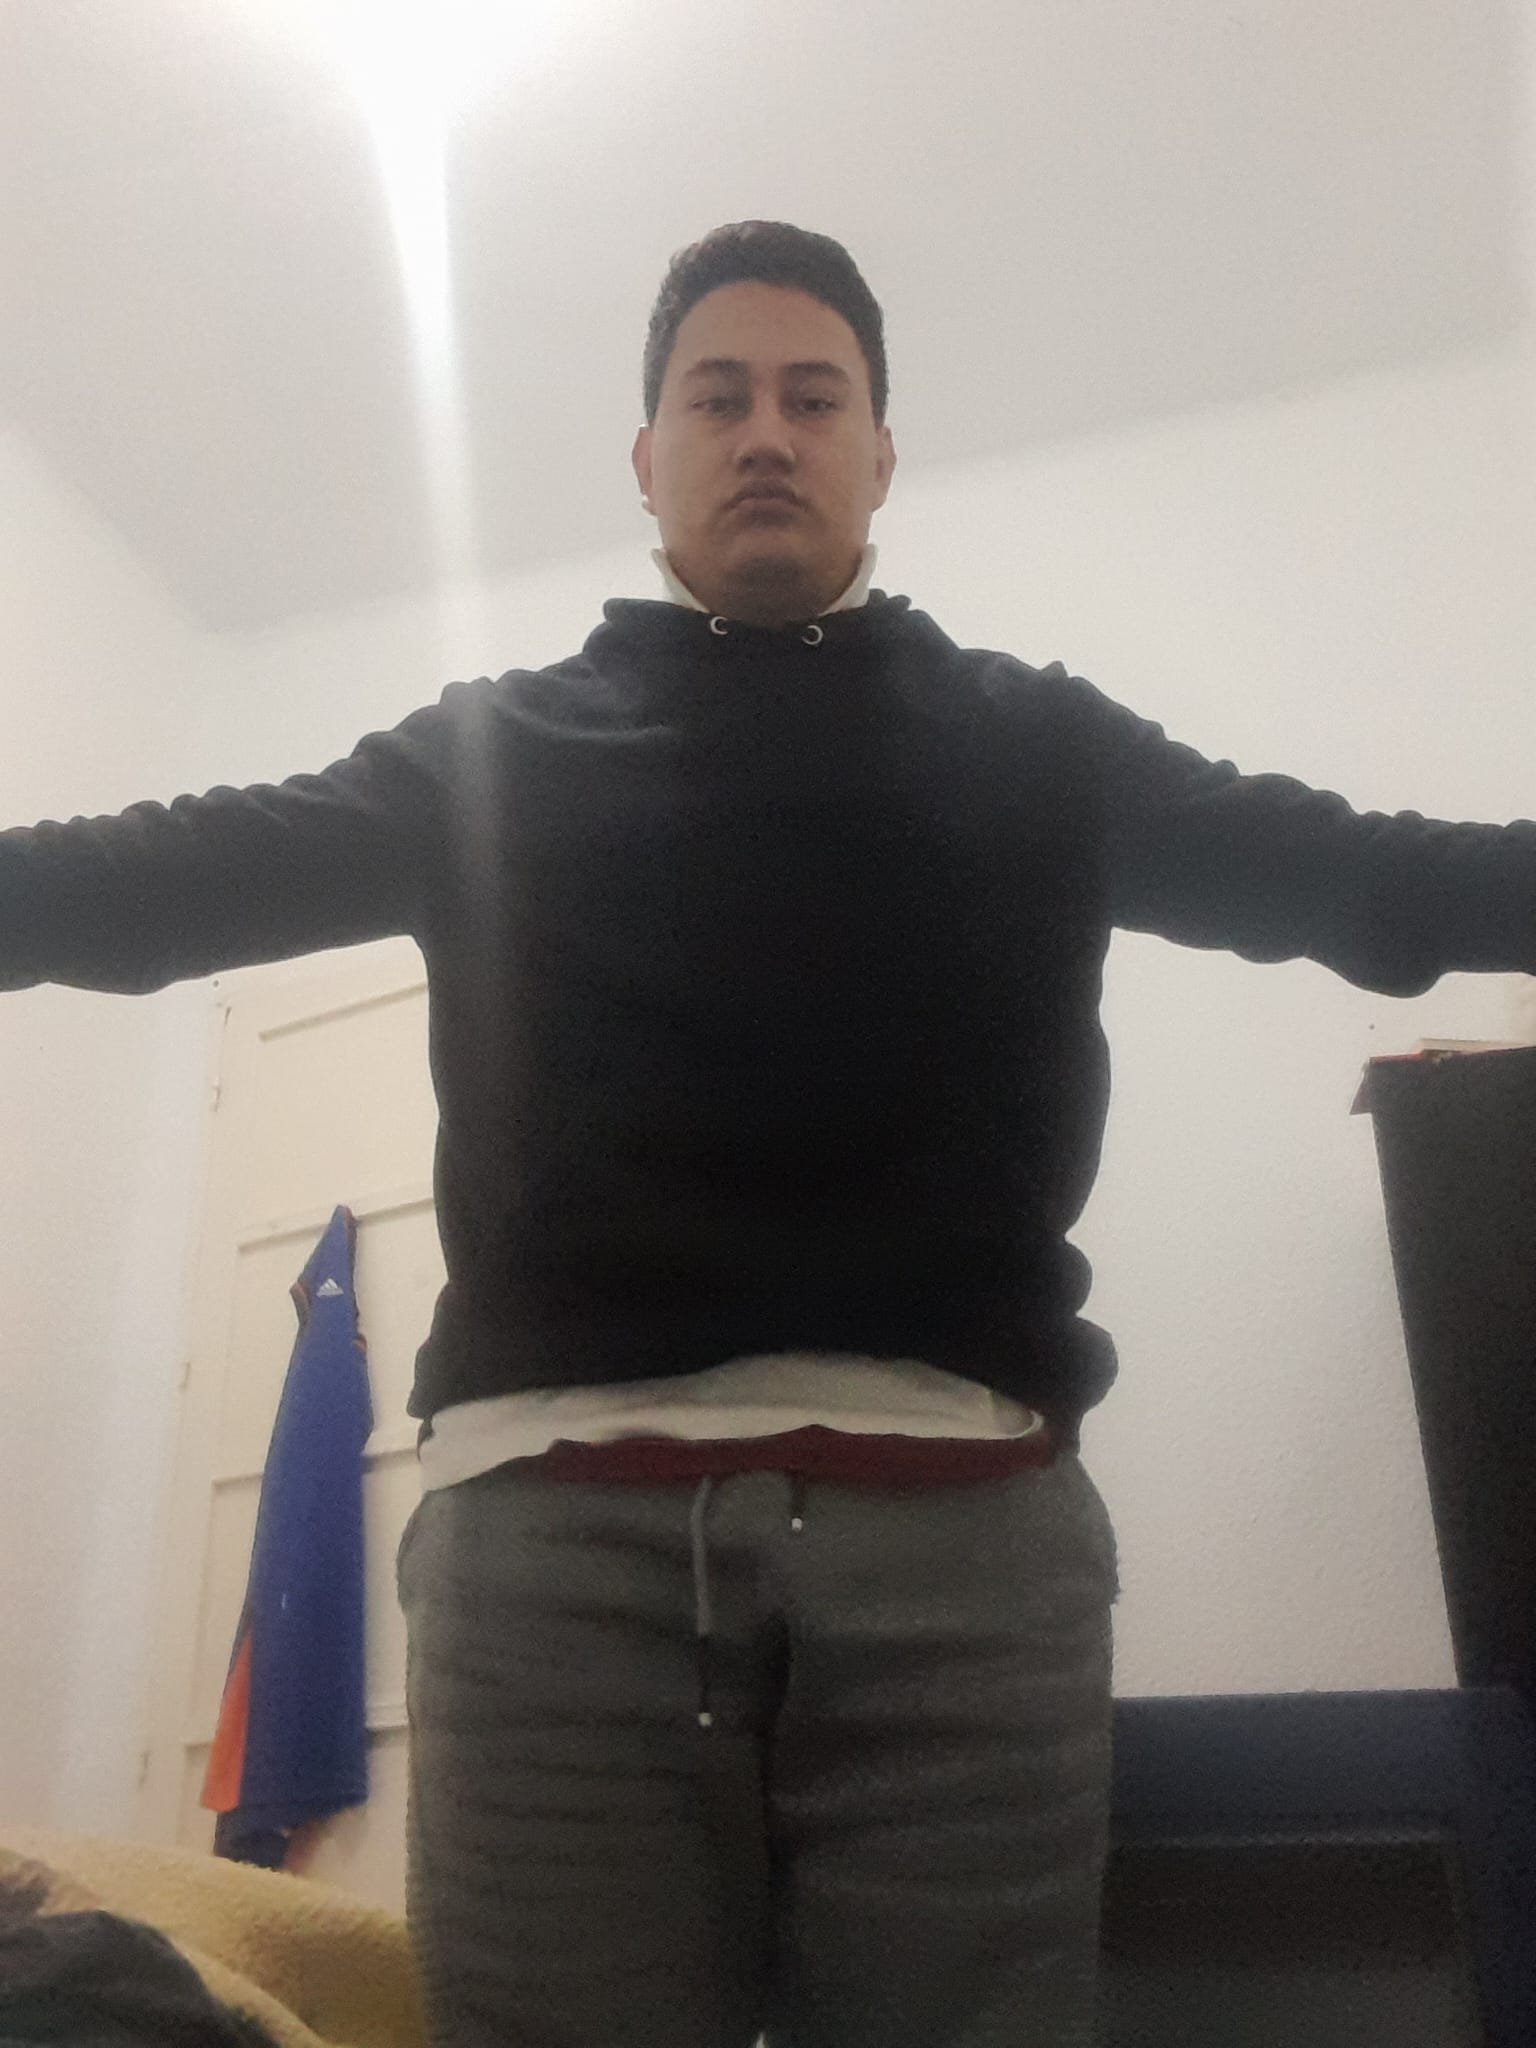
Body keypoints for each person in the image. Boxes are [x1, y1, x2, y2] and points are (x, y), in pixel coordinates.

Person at [7, 217, 1536, 2048]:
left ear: (881, 455)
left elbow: (1368, 879)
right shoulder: (485, 755)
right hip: (553, 1558)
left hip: (967, 1558)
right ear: (645, 457)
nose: (765, 434)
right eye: (716, 397)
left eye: (815, 399)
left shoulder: (1041, 745)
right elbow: (165, 877)